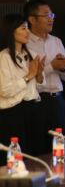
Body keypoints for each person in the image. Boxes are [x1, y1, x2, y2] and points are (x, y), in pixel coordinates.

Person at [25, 0, 65, 152]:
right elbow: (27, 76)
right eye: (46, 15)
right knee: (38, 147)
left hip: (58, 100)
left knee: (59, 147)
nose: (51, 19)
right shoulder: (26, 43)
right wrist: (52, 66)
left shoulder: (56, 41)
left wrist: (63, 68)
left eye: (52, 15)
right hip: (37, 101)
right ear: (32, 19)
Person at [0, 14, 46, 155]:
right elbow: (5, 90)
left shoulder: (31, 54)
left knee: (34, 153)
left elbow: (40, 88)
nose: (28, 32)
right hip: (13, 114)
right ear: (11, 31)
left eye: (27, 28)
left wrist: (39, 75)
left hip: (32, 109)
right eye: (23, 28)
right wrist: (29, 76)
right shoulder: (3, 57)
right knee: (15, 156)